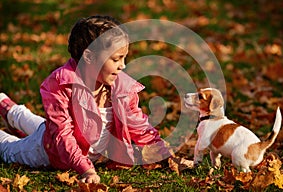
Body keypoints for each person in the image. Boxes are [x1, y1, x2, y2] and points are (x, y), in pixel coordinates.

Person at [0, 15, 172, 183]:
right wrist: (86, 168)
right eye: (116, 59)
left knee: (41, 125)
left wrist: (166, 157)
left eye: (124, 57)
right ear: (89, 57)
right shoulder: (61, 84)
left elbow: (139, 126)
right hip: (50, 150)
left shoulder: (120, 86)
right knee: (8, 148)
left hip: (52, 132)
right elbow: (62, 133)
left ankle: (6, 105)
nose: (123, 65)